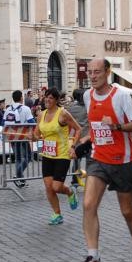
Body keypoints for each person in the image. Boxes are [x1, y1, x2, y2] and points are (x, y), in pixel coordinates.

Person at [75, 58, 132, 262]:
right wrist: (85, 140)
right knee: (88, 205)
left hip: (122, 161)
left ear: (107, 72)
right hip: (98, 159)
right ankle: (93, 256)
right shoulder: (88, 96)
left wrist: (115, 126)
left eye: (97, 72)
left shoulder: (121, 95)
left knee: (127, 211)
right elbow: (95, 128)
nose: (93, 76)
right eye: (90, 72)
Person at [32, 87, 81, 225]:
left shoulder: (63, 114)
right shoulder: (41, 114)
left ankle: (70, 192)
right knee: (48, 187)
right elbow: (37, 134)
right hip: (47, 154)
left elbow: (78, 129)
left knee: (57, 187)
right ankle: (57, 214)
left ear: (56, 100)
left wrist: (73, 147)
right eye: (46, 97)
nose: (47, 99)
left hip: (62, 155)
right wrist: (33, 137)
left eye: (51, 98)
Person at [4, 90, 36, 187]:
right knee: (28, 157)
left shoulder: (8, 109)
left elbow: (3, 123)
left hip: (12, 136)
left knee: (18, 158)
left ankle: (21, 180)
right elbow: (32, 122)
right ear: (21, 98)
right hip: (23, 136)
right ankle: (18, 176)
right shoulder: (25, 109)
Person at [67, 89, 89, 188]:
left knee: (76, 160)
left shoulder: (72, 108)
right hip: (88, 137)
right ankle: (91, 181)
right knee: (90, 160)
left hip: (77, 137)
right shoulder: (89, 108)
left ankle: (74, 180)